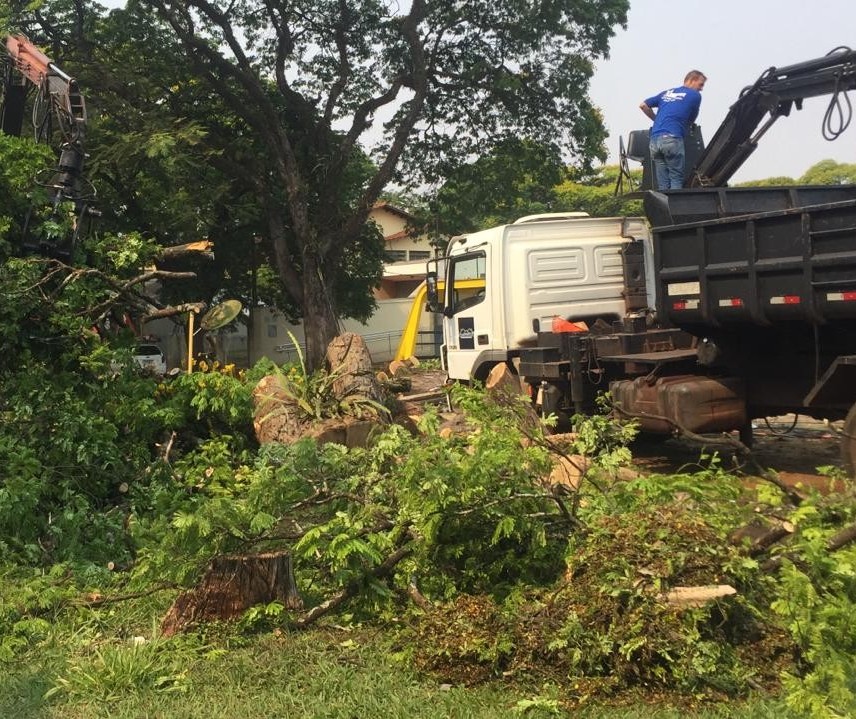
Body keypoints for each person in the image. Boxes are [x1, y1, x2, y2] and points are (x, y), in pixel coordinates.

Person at [640, 70, 706, 190]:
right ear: (692, 80)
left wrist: (655, 120)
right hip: (672, 139)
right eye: (700, 84)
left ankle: (665, 207)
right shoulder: (695, 95)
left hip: (654, 141)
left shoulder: (666, 93)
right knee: (676, 178)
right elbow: (691, 119)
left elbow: (643, 105)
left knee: (663, 183)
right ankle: (677, 207)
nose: (701, 89)